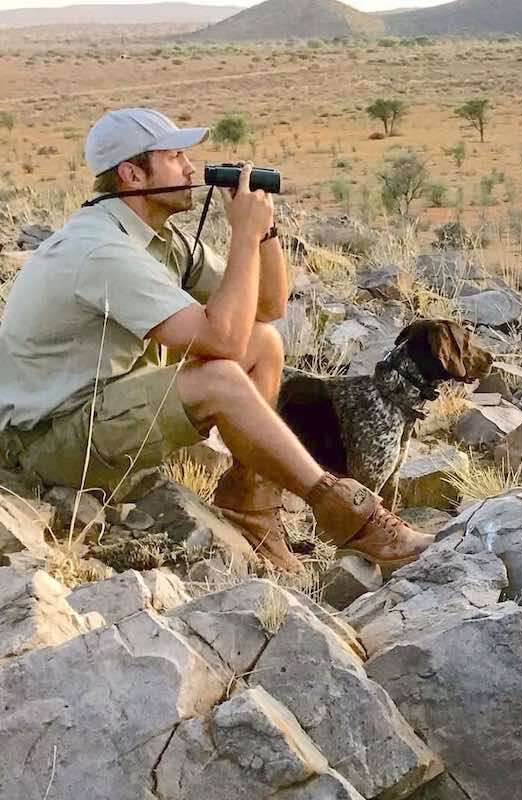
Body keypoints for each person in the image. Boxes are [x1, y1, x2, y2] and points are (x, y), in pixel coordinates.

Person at [0, 107, 431, 574]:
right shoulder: (101, 249)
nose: (191, 168)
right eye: (175, 156)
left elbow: (268, 308)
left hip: (99, 411)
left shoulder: (160, 240)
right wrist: (241, 237)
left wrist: (262, 232)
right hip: (48, 441)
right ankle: (354, 516)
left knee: (262, 343)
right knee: (221, 377)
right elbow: (220, 342)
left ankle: (251, 505)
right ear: (131, 174)